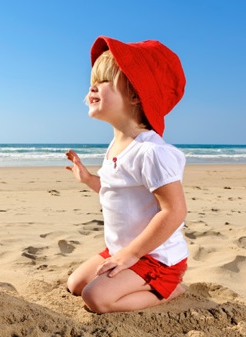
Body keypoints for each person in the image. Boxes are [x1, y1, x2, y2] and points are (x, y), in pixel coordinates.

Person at [65, 36, 189, 313]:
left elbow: (174, 210)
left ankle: (170, 288)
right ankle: (131, 272)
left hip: (156, 256)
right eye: (92, 80)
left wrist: (131, 255)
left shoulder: (152, 152)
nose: (92, 86)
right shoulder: (116, 145)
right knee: (76, 285)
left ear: (135, 95)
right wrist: (88, 180)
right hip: (122, 249)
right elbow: (120, 191)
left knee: (96, 299)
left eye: (105, 80)